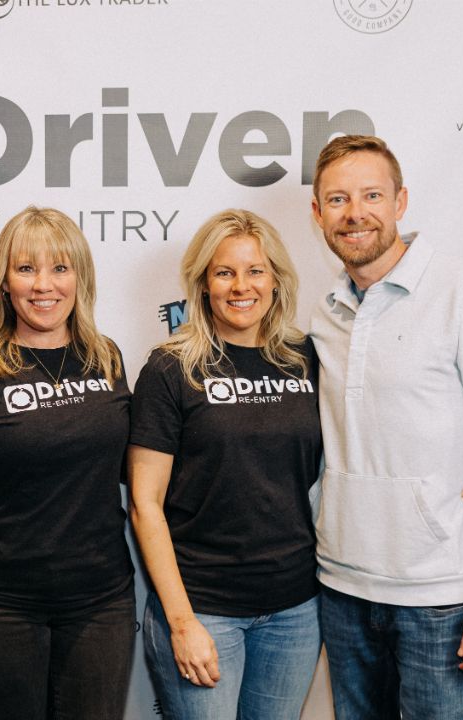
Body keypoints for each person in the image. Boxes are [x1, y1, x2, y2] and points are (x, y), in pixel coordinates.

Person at [308, 135, 463, 719]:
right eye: (337, 199)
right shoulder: (325, 313)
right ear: (317, 214)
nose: (355, 213)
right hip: (341, 589)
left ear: (401, 201)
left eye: (371, 195)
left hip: (441, 602)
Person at [0, 206, 136, 720]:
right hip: (1, 605)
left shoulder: (105, 358)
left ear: (80, 278)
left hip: (100, 599)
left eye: (60, 268)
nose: (44, 285)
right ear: (4, 282)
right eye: (26, 269)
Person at [128, 209, 323, 719]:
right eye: (225, 272)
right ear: (203, 283)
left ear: (276, 280)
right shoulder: (171, 368)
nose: (242, 286)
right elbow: (146, 505)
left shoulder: (306, 359)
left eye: (256, 270)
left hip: (296, 608)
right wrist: (181, 621)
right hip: (203, 607)